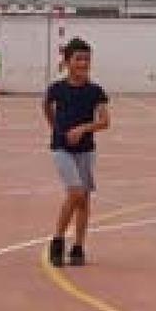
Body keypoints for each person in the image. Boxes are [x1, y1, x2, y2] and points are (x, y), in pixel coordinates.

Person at [43, 37, 110, 268]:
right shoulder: (57, 89)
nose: (83, 63)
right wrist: (56, 129)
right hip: (62, 148)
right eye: (78, 59)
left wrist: (83, 128)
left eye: (87, 59)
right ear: (67, 61)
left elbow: (105, 121)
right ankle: (58, 239)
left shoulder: (95, 91)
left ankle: (79, 246)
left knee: (84, 200)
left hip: (85, 151)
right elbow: (46, 107)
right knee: (76, 191)